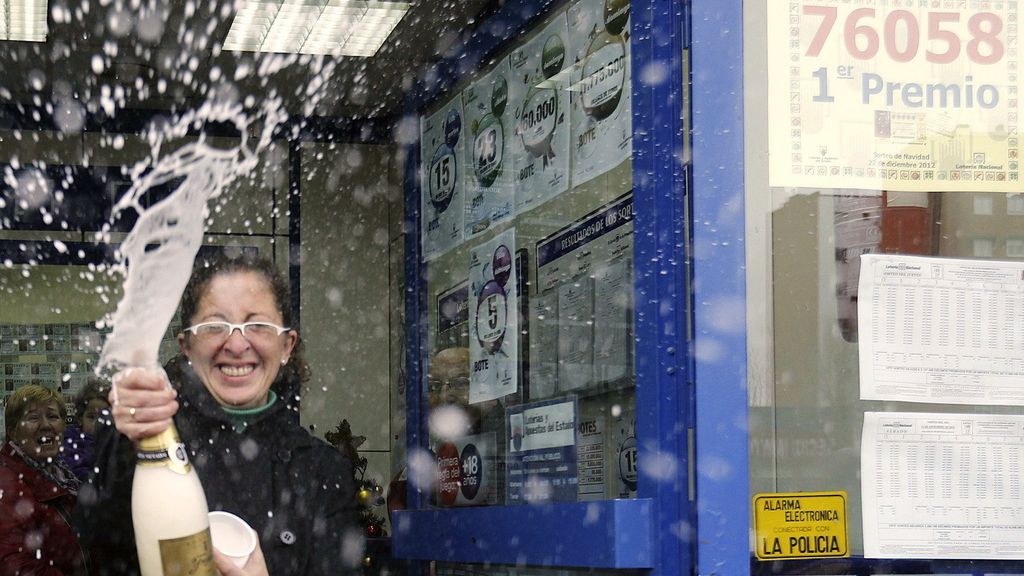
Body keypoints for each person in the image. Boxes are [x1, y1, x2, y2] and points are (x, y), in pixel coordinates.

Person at [74, 255, 362, 576]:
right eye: (214, 326)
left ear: (286, 345)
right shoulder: (148, 441)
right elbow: (97, 539)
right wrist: (125, 438)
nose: (237, 344)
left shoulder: (322, 470)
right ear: (186, 345)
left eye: (257, 325)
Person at [1, 384, 89, 575]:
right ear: (13, 432)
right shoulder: (6, 483)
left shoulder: (62, 473)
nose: (46, 425)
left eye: (53, 416)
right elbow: (16, 565)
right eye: (33, 418)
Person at [62, 377, 111, 482]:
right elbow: (78, 472)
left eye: (105, 416)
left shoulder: (116, 442)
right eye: (92, 417)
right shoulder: (72, 444)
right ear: (80, 419)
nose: (98, 422)